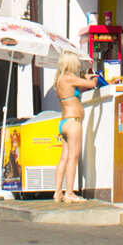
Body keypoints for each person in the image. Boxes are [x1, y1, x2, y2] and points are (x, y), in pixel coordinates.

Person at [52, 50, 99, 203]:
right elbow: (92, 84)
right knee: (73, 158)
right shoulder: (69, 78)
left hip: (64, 122)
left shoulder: (59, 80)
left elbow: (76, 86)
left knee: (63, 159)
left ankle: (57, 192)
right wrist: (95, 77)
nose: (78, 66)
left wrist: (84, 78)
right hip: (73, 122)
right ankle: (69, 193)